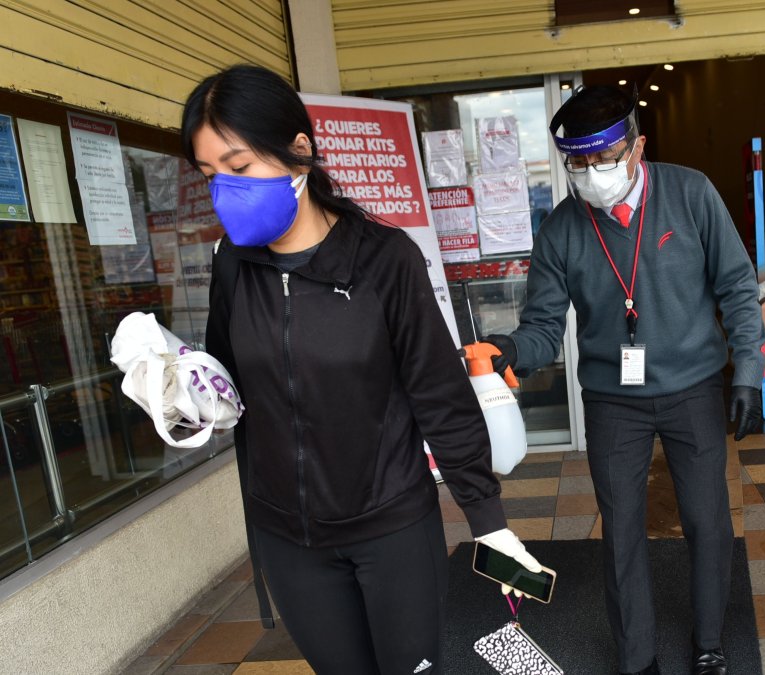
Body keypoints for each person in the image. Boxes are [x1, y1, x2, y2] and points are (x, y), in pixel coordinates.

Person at [183, 64, 542, 675]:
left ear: (300, 150)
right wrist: (183, 389)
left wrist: (487, 519)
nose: (225, 190)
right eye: (210, 175)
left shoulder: (384, 260)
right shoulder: (232, 266)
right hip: (288, 538)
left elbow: (439, 394)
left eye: (239, 167)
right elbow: (226, 379)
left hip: (391, 529)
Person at [482, 85, 765, 675]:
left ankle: (710, 642)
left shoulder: (690, 193)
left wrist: (749, 370)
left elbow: (738, 285)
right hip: (614, 401)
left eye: (603, 159)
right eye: (577, 164)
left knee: (707, 518)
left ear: (638, 147)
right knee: (622, 532)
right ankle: (637, 658)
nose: (590, 174)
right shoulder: (562, 228)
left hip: (693, 387)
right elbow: (541, 326)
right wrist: (509, 349)